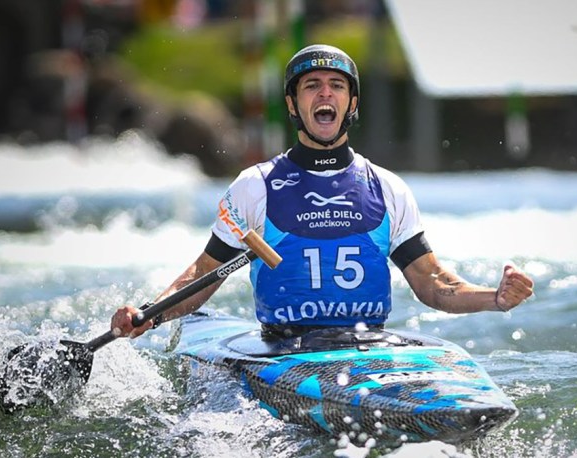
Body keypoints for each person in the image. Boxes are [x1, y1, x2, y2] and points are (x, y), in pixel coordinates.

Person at [110, 44, 534, 340]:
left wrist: (494, 299)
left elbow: (434, 283)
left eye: (336, 84)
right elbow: (202, 275)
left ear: (352, 104)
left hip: (368, 348)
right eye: (312, 85)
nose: (325, 92)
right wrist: (150, 313)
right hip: (284, 349)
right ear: (294, 105)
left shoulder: (388, 188)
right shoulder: (254, 187)